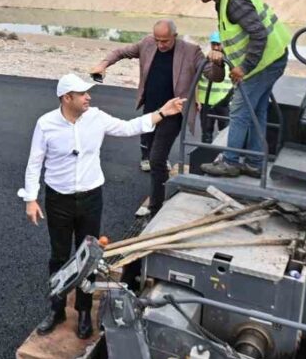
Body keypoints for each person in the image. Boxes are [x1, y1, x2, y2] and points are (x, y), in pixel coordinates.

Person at [20, 73, 185, 339]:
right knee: (59, 257)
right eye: (83, 94)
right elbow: (34, 162)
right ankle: (57, 308)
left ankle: (84, 312)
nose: (89, 97)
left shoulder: (96, 117)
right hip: (58, 199)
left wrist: (162, 113)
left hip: (90, 198)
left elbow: (129, 127)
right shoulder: (46, 124)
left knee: (89, 257)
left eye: (88, 93)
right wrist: (31, 198)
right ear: (67, 98)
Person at [90, 19, 224, 217]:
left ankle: (156, 206)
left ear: (175, 37)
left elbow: (214, 76)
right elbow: (120, 52)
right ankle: (158, 191)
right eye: (157, 40)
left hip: (174, 112)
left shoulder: (191, 51)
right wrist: (103, 63)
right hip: (151, 111)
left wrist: (218, 61)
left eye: (165, 41)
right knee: (153, 157)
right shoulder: (147, 44)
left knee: (157, 158)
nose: (160, 45)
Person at [187, 0, 290, 177]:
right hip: (271, 59)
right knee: (257, 112)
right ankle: (254, 162)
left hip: (264, 64)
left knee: (239, 111)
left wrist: (244, 67)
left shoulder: (234, 1)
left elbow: (258, 34)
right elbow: (241, 33)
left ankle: (230, 162)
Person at [199, 31, 233, 144]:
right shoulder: (204, 61)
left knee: (225, 133)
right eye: (214, 44)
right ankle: (205, 154)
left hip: (224, 103)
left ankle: (221, 156)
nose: (216, 47)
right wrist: (196, 100)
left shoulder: (230, 62)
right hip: (206, 102)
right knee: (206, 132)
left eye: (219, 44)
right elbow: (195, 81)